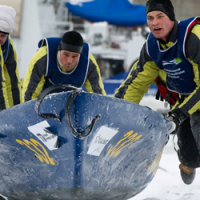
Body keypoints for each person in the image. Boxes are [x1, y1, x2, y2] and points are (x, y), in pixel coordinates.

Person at [114, 0, 200, 185]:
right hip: (185, 98)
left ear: (171, 18)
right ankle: (188, 163)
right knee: (189, 155)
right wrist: (116, 113)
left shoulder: (193, 37)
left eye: (160, 17)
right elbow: (136, 84)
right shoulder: (152, 47)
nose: (154, 23)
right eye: (150, 18)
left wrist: (179, 114)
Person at [22, 30, 106, 101]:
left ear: (80, 55)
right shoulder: (43, 57)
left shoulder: (88, 61)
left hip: (72, 101)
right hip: (44, 99)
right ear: (59, 50)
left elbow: (99, 96)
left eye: (74, 56)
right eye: (66, 55)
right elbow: (28, 95)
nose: (69, 61)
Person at [0, 5, 23, 111]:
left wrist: (16, 112)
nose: (0, 39)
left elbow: (12, 82)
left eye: (3, 36)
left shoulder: (7, 47)